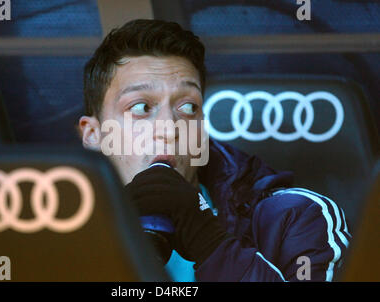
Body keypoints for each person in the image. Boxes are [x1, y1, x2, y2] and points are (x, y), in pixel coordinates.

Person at [78, 19, 350, 281]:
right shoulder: (59, 225)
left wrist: (210, 240)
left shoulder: (295, 217)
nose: (169, 128)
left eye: (188, 108)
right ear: (93, 134)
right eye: (140, 108)